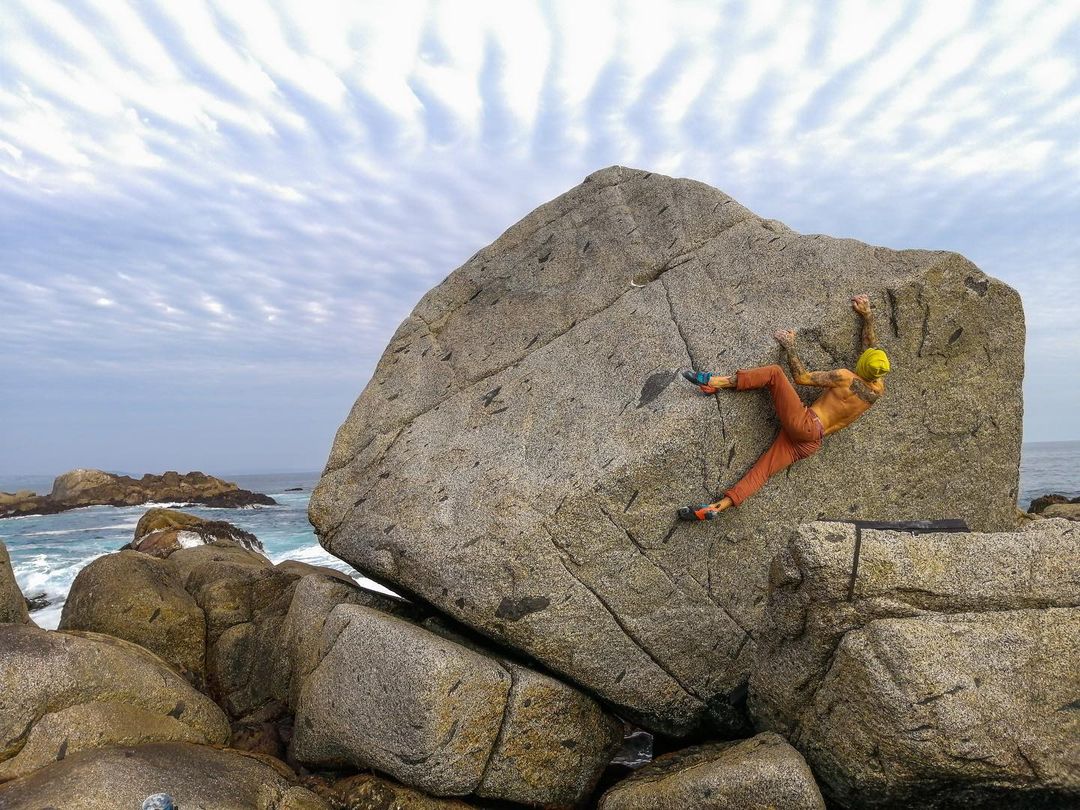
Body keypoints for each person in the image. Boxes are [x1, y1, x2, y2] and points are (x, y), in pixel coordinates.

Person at [677, 294, 890, 520]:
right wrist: (867, 316)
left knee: (774, 374)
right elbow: (872, 349)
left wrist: (790, 346)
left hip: (806, 423)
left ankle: (713, 382)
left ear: (862, 366)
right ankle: (717, 507)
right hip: (811, 443)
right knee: (764, 470)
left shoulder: (846, 377)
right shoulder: (877, 389)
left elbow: (802, 377)